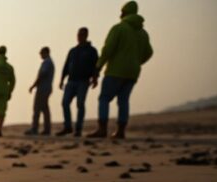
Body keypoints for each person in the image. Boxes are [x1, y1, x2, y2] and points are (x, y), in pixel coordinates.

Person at [88, 1, 153, 139]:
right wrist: (137, 61)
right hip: (133, 72)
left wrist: (98, 67)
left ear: (125, 12)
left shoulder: (119, 28)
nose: (120, 14)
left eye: (122, 11)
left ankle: (102, 129)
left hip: (115, 71)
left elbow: (108, 50)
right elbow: (149, 52)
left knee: (104, 98)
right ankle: (120, 131)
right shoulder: (143, 34)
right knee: (123, 101)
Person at [57, 27, 99, 137]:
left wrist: (95, 78)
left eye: (82, 35)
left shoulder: (92, 51)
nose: (80, 37)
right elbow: (66, 66)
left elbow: (96, 66)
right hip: (71, 81)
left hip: (83, 81)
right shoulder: (73, 51)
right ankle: (67, 127)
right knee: (65, 103)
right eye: (78, 34)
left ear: (86, 36)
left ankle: (78, 129)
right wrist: (61, 80)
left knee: (80, 104)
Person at [25, 47, 55, 135]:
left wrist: (33, 85)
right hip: (46, 88)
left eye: (41, 53)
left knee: (37, 108)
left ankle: (35, 129)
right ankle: (46, 129)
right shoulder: (49, 62)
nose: (40, 55)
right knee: (44, 108)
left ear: (46, 53)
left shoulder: (47, 63)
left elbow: (42, 75)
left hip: (43, 88)